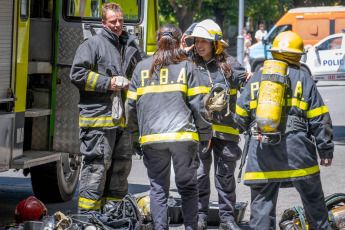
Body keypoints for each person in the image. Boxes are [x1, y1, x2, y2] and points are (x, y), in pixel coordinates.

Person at [236, 31, 333, 230]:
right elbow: (319, 119)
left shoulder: (256, 79)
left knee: (261, 210)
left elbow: (239, 119)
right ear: (297, 55)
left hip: (262, 153)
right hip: (298, 154)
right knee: (315, 206)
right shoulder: (304, 79)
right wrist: (325, 150)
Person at [127, 24, 212, 230]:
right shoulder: (188, 66)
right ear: (180, 41)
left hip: (152, 139)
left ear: (158, 41)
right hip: (183, 138)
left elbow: (130, 108)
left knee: (158, 189)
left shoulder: (141, 68)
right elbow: (199, 106)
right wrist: (205, 134)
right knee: (189, 188)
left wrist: (135, 138)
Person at [70, 3, 147, 214]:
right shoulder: (92, 44)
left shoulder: (130, 46)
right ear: (103, 22)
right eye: (113, 21)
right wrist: (109, 83)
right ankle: (88, 218)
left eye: (120, 20)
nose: (118, 25)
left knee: (120, 170)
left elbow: (146, 70)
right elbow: (77, 74)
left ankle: (112, 216)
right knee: (96, 169)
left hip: (122, 121)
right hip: (98, 121)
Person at [181, 19, 247, 230]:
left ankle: (227, 219)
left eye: (204, 41)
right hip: (199, 132)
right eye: (197, 41)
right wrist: (181, 53)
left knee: (225, 176)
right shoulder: (188, 64)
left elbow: (248, 89)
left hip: (226, 132)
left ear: (215, 43)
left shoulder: (231, 65)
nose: (199, 45)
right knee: (199, 175)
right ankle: (199, 216)